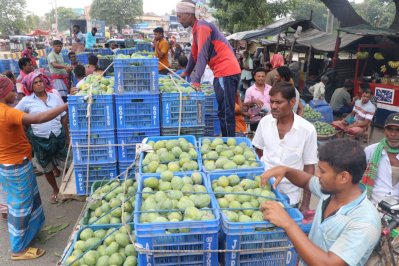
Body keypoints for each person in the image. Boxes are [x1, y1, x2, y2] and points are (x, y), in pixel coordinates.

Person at [260, 139, 381, 266]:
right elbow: (306, 181)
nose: (317, 175)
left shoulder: (364, 222)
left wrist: (288, 223)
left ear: (343, 177)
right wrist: (286, 171)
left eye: (322, 171)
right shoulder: (331, 191)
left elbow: (328, 264)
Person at [0, 75, 68, 260]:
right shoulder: (7, 112)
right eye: (12, 90)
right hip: (15, 166)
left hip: (13, 163)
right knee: (20, 206)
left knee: (30, 199)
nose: (16, 93)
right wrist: (65, 105)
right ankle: (18, 249)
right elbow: (38, 119)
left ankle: (31, 232)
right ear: (3, 93)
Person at [176, 0, 241, 137]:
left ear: (189, 14)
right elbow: (194, 54)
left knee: (225, 111)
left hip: (226, 71)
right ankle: (228, 140)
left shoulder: (203, 26)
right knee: (224, 111)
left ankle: (230, 144)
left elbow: (202, 55)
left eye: (179, 16)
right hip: (224, 72)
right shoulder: (197, 29)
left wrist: (196, 81)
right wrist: (186, 72)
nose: (178, 20)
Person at [253, 81, 317, 211]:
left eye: (279, 102)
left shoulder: (307, 130)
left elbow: (309, 167)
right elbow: (258, 150)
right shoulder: (265, 122)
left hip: (290, 195)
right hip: (264, 190)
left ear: (292, 102)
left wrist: (305, 203)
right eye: (271, 102)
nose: (274, 106)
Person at [16, 71, 68, 203]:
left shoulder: (54, 96)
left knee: (67, 162)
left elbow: (63, 116)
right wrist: (26, 136)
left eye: (40, 81)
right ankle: (55, 190)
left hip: (58, 135)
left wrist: (67, 136)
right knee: (46, 167)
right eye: (35, 83)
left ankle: (67, 188)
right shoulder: (26, 101)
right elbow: (16, 118)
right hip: (40, 139)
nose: (39, 84)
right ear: (30, 86)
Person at [363, 113, 399, 204]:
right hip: (372, 205)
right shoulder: (370, 151)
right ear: (384, 130)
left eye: (398, 130)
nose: (393, 134)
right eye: (389, 129)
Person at [244, 67, 272, 131]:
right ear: (255, 77)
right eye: (259, 76)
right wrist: (253, 101)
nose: (261, 78)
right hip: (255, 120)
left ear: (265, 77)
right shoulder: (250, 90)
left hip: (270, 119)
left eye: (262, 76)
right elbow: (245, 106)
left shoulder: (271, 89)